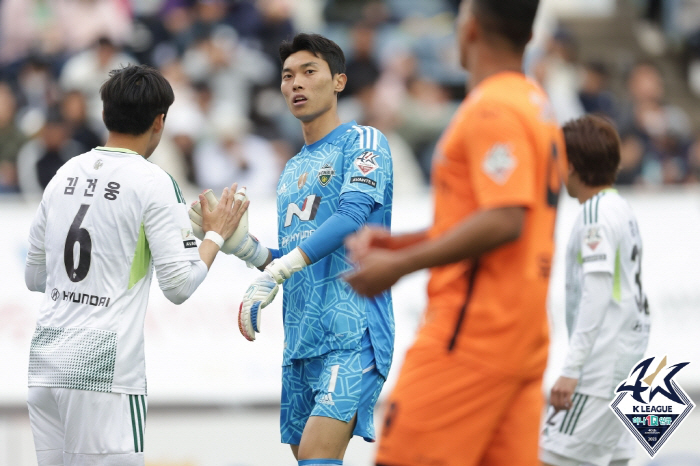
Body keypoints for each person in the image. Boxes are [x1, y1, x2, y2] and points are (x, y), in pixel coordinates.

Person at [344, 0, 567, 465]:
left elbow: (506, 219)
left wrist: (399, 266)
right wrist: (399, 243)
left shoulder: (492, 110)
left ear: (469, 29)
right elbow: (487, 218)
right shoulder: (536, 105)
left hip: (471, 335)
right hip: (521, 338)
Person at [24, 64, 247, 466]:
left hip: (45, 364)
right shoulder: (153, 182)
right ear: (159, 121)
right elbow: (179, 286)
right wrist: (215, 234)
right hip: (103, 373)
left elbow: (34, 276)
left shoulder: (63, 175)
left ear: (105, 114)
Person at [234, 33, 394, 466]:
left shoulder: (364, 142)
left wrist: (276, 272)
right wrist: (243, 248)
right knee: (310, 462)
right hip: (301, 342)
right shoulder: (291, 169)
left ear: (339, 81)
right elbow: (293, 256)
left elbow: (352, 217)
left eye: (309, 72)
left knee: (319, 461)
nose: (296, 84)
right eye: (288, 76)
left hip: (353, 333)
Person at [540, 115, 650, 466]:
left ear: (570, 165)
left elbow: (597, 292)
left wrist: (572, 370)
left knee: (543, 457)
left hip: (601, 374)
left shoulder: (595, 214)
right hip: (633, 367)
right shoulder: (621, 208)